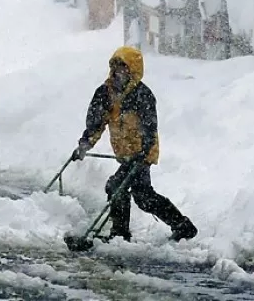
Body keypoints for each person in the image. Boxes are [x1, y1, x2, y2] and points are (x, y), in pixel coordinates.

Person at [71, 46, 197, 242]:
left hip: (141, 154)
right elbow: (96, 123)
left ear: (133, 70)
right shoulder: (105, 93)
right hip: (126, 155)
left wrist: (144, 151)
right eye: (115, 67)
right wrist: (85, 144)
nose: (118, 72)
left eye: (123, 68)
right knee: (143, 197)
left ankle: (120, 234)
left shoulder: (142, 95)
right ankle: (182, 226)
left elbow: (149, 127)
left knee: (116, 186)